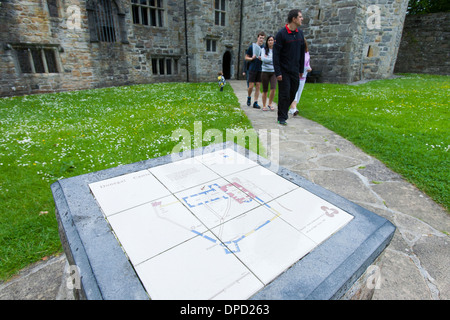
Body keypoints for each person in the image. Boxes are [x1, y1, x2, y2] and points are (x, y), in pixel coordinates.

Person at [273, 9, 305, 125]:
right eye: (300, 17)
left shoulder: (300, 33)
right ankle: (282, 117)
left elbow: (302, 53)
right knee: (284, 93)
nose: (302, 19)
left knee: (293, 91)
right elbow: (276, 55)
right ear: (294, 19)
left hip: (295, 70)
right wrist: (278, 72)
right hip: (284, 70)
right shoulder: (281, 34)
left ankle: (283, 110)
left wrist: (301, 69)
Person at [289, 38, 312, 116]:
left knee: (299, 93)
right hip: (295, 75)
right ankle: (293, 108)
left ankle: (293, 107)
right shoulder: (295, 53)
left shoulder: (306, 53)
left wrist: (309, 68)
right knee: (294, 92)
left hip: (303, 75)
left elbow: (307, 64)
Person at [245, 31, 266, 109]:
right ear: (258, 38)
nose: (261, 40)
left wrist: (262, 58)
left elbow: (266, 58)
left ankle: (255, 102)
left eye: (263, 38)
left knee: (258, 86)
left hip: (260, 69)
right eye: (260, 38)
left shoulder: (264, 48)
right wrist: (251, 58)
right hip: (252, 68)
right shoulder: (252, 47)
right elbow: (246, 57)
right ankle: (249, 97)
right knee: (250, 86)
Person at [260, 35, 277, 111]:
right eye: (269, 40)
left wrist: (269, 59)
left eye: (272, 40)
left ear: (274, 41)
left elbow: (277, 59)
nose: (270, 42)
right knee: (265, 90)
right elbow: (263, 59)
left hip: (273, 71)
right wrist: (272, 60)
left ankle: (270, 103)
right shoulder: (263, 49)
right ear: (267, 42)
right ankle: (264, 105)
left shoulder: (276, 50)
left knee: (273, 88)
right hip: (265, 71)